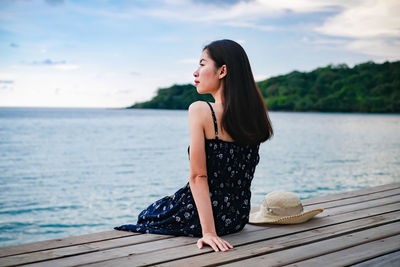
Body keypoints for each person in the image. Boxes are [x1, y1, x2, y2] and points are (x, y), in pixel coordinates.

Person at [115, 39, 274, 252]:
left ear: (222, 70)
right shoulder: (253, 116)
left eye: (202, 64)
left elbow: (199, 176)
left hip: (202, 217)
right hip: (236, 218)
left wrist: (208, 232)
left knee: (147, 215)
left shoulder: (200, 110)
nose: (195, 72)